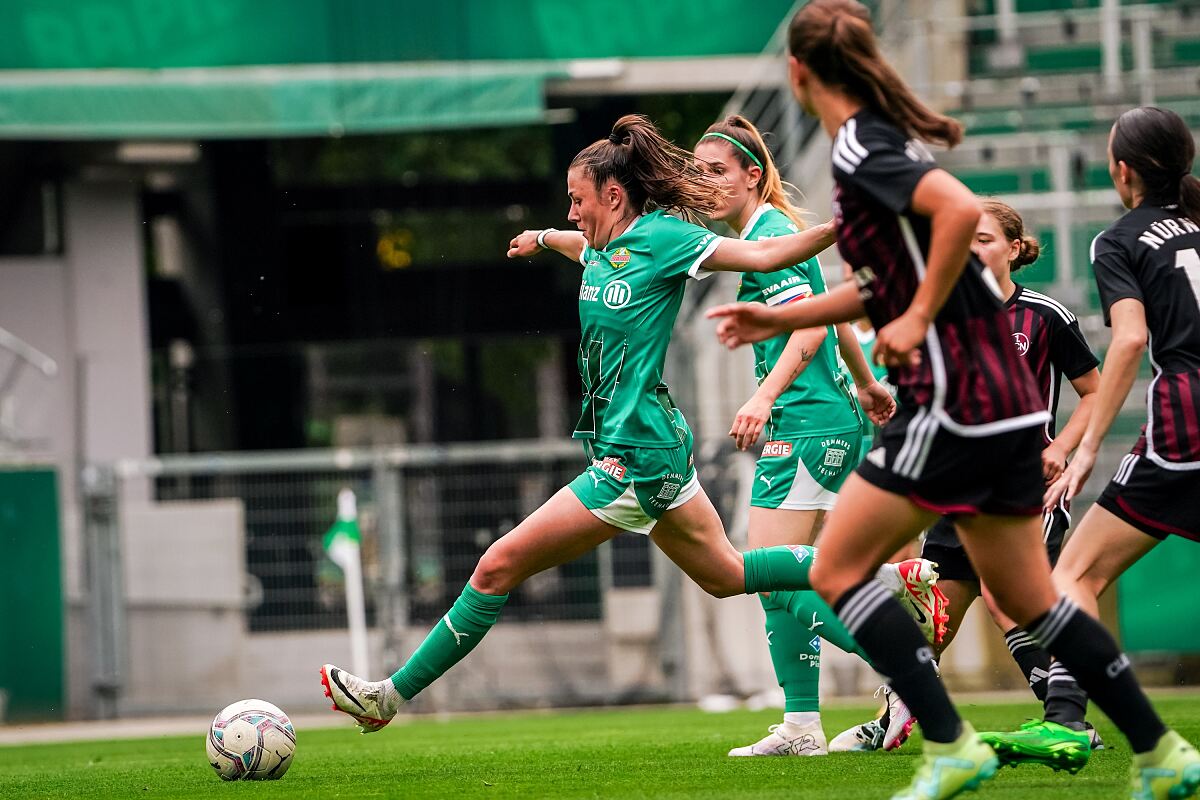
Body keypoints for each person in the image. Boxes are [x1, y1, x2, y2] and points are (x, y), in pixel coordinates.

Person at [706, 3, 1198, 798]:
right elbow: (879, 284)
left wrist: (913, 314)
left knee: (836, 567)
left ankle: (949, 742)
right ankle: (1162, 752)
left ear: (796, 75)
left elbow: (960, 213)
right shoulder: (874, 143)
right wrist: (782, 313)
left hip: (958, 401)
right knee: (1033, 598)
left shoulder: (863, 144)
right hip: (1003, 407)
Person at [318, 113, 938, 739]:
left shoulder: (666, 237)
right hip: (649, 449)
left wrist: (844, 225)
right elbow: (582, 247)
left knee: (495, 567)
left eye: (576, 200)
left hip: (633, 461)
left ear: (613, 196)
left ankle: (388, 695)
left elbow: (766, 253)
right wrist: (542, 237)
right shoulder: (604, 245)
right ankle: (890, 605)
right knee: (728, 575)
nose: (572, 211)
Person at [692, 115, 940, 758]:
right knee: (794, 583)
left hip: (804, 428)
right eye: (698, 171)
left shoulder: (769, 233)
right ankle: (803, 725)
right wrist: (866, 385)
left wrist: (762, 395)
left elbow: (806, 329)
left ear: (754, 175)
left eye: (717, 170)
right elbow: (837, 316)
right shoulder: (772, 237)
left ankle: (906, 671)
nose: (705, 182)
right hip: (831, 422)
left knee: (771, 580)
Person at [979, 107, 1200, 790]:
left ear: (1123, 170)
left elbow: (1129, 339)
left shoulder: (1120, 239)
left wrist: (1084, 450)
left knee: (1072, 574)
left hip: (1186, 424)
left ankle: (1068, 721)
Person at [832, 198, 1105, 752]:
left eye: (984, 239)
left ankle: (1072, 723)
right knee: (931, 624)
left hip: (1027, 487)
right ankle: (892, 722)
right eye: (966, 239)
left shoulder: (1045, 316)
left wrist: (1066, 454)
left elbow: (1096, 392)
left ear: (1013, 247)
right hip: (959, 491)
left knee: (1013, 602)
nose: (972, 248)